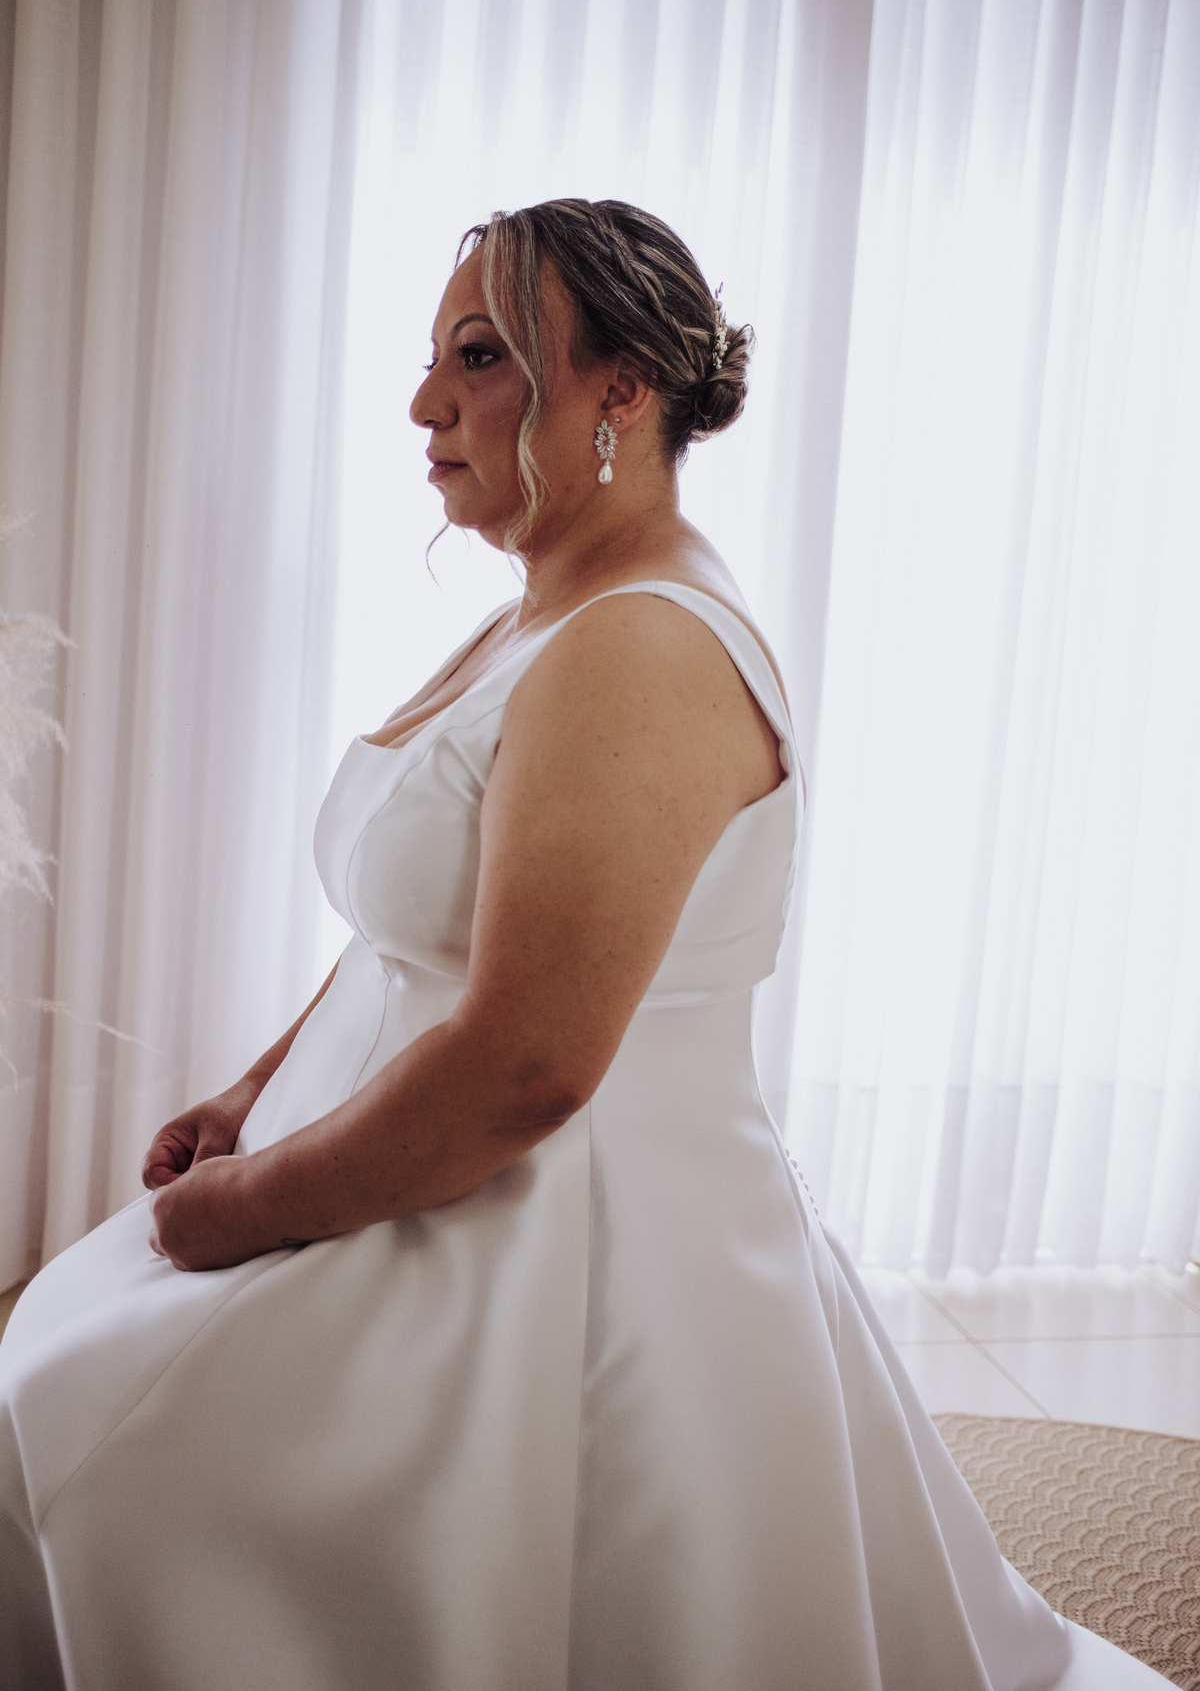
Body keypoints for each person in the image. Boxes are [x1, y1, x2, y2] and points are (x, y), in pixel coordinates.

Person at [0, 198, 1170, 1690]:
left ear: (623, 386)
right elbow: (418, 926)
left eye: (480, 357)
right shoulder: (544, 611)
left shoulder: (640, 650)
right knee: (59, 1370)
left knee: (95, 1436)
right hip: (412, 1171)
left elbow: (530, 1066)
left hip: (541, 1248)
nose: (425, 403)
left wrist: (244, 1213)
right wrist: (252, 1092)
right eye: (435, 358)